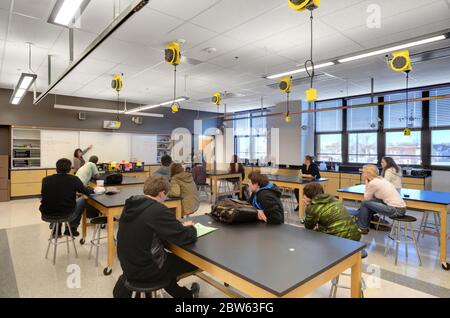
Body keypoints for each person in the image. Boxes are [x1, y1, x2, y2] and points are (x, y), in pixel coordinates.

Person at [116, 175, 200, 298]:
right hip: (147, 269)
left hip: (128, 265)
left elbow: (146, 228)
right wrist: (191, 227)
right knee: (192, 261)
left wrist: (172, 224)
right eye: (166, 195)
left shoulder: (131, 205)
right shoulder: (157, 209)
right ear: (161, 193)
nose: (166, 199)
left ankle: (185, 295)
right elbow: (186, 237)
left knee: (167, 265)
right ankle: (187, 296)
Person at [40, 158, 94, 237]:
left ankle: (56, 230)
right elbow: (85, 191)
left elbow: (45, 196)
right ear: (69, 169)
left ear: (56, 169)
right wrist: (94, 190)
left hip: (46, 213)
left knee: (56, 201)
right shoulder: (74, 179)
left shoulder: (46, 180)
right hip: (66, 214)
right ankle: (71, 229)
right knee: (83, 199)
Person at [356, 165, 407, 234]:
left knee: (365, 203)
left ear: (368, 173)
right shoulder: (381, 179)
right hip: (401, 209)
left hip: (396, 211)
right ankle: (364, 225)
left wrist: (366, 182)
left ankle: (362, 227)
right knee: (369, 203)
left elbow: (366, 198)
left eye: (363, 172)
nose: (362, 174)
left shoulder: (373, 183)